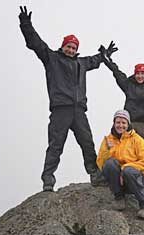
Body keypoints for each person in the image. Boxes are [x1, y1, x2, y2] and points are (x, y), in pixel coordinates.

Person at [18, 6, 118, 191]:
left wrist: (106, 56)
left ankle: (94, 174)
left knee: (87, 142)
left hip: (79, 110)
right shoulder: (52, 58)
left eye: (74, 47)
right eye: (68, 46)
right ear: (63, 46)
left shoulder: (81, 63)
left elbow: (95, 60)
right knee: (56, 145)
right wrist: (26, 24)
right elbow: (36, 43)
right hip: (60, 110)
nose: (71, 49)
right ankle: (48, 179)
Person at [98, 43, 144, 154]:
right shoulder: (128, 84)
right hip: (130, 123)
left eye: (143, 73)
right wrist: (106, 57)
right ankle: (125, 170)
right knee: (126, 149)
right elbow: (116, 71)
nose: (140, 76)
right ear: (134, 74)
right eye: (138, 73)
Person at [96, 110, 144, 219]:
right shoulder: (108, 140)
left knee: (129, 170)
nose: (120, 125)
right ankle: (119, 197)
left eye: (123, 123)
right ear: (114, 123)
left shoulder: (137, 140)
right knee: (110, 164)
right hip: (120, 182)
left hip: (136, 179)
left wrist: (124, 168)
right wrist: (107, 150)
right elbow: (101, 163)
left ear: (128, 124)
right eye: (118, 122)